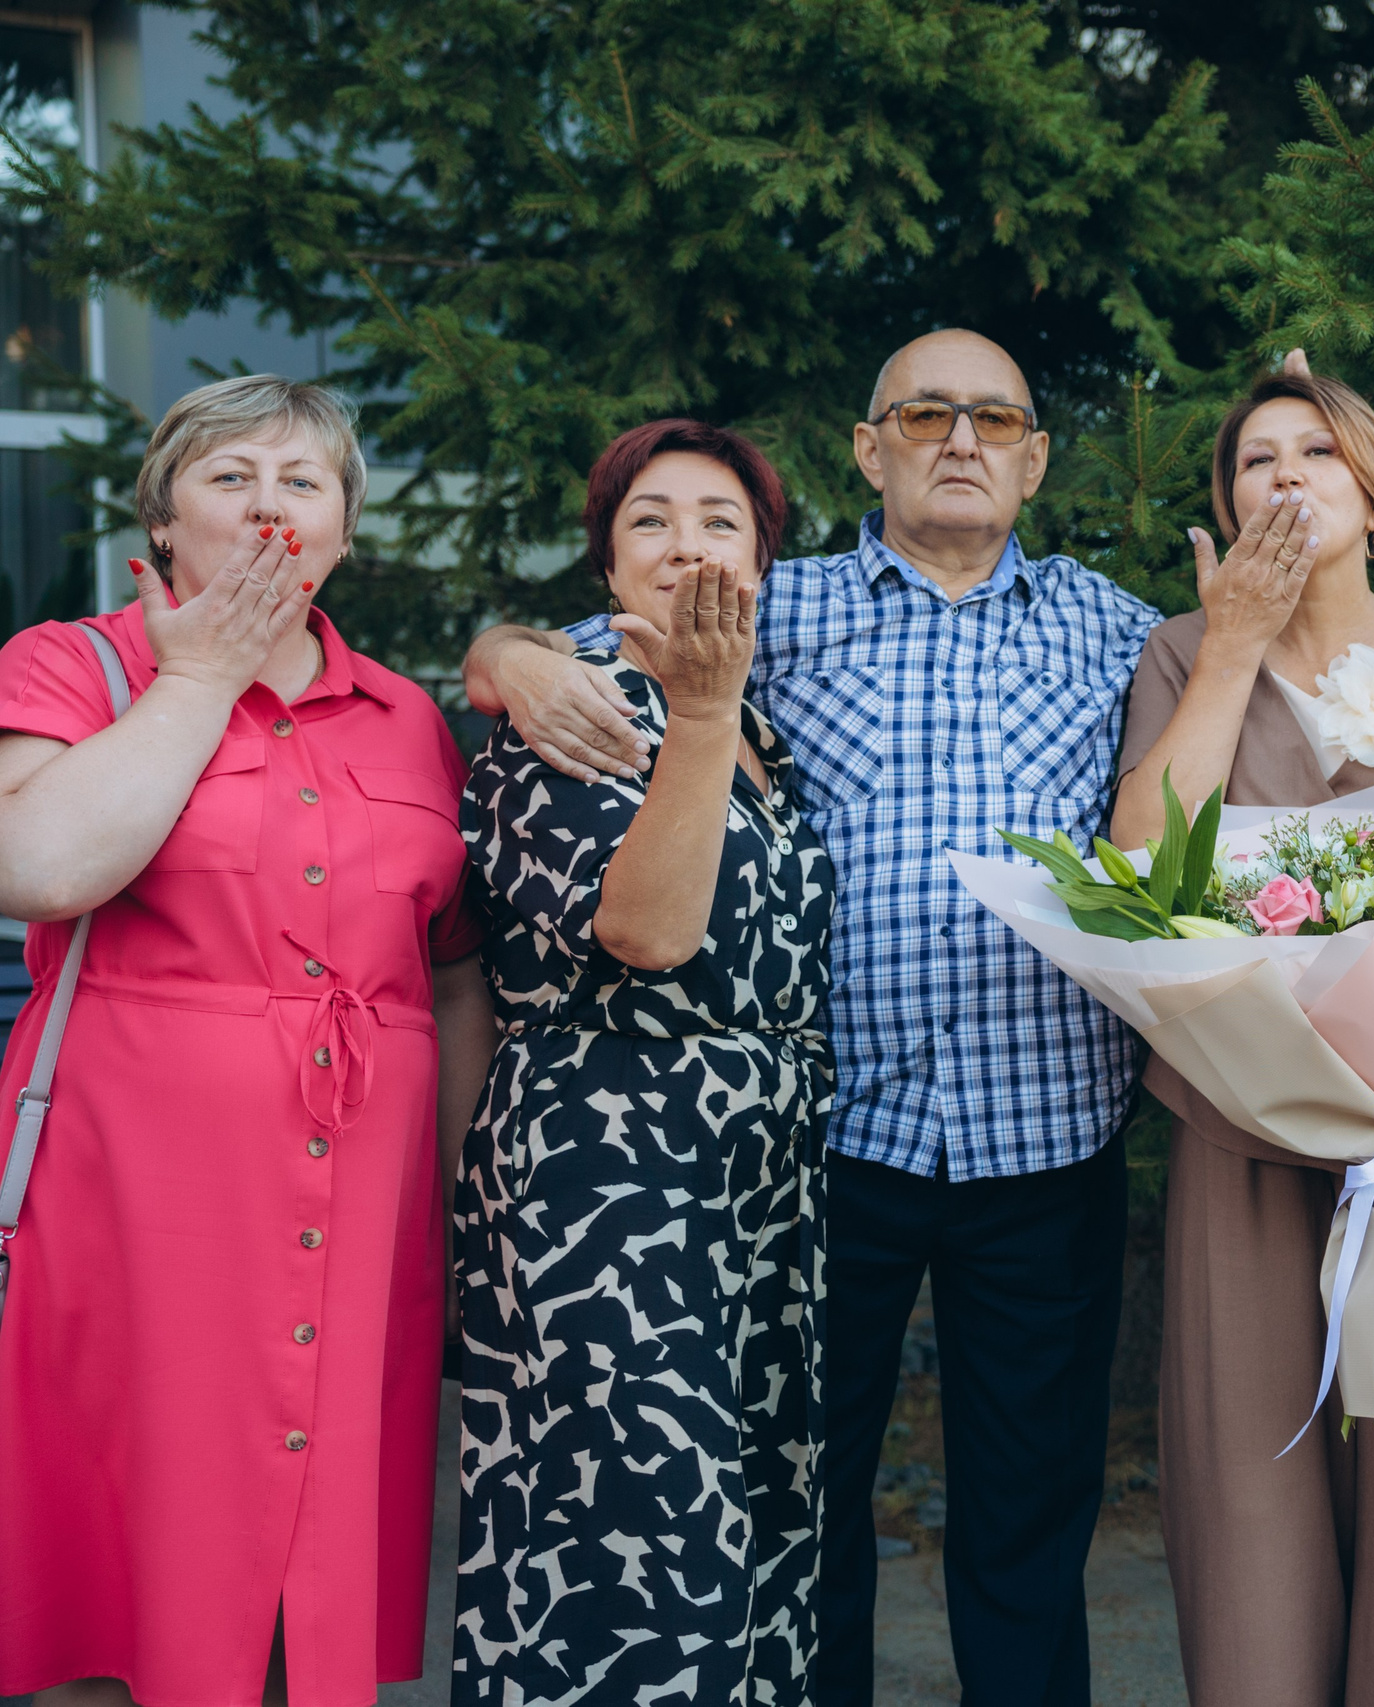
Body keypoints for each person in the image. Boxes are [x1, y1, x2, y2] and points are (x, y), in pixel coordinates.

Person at [460, 330, 1159, 1705]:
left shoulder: (1119, 628)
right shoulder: (777, 605)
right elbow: (606, 654)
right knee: (804, 1506)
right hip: (832, 1148)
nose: (961, 439)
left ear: (1035, 455)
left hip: (1049, 1131)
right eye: (926, 413)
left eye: (995, 418)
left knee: (1030, 1517)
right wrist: (508, 651)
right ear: (869, 446)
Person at [0, 375, 496, 1706]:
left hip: (362, 1200)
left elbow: (453, 980)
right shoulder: (70, 662)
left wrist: (454, 1193)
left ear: (343, 528)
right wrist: (203, 672)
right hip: (139, 1195)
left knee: (319, 1562)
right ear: (161, 522)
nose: (270, 503)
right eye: (231, 476)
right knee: (134, 1538)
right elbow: (39, 865)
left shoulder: (407, 715)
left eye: (303, 480)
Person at [1113, 353, 1374, 1706]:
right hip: (1246, 1131)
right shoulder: (1183, 651)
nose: (1285, 473)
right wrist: (1233, 643)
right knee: (1255, 1503)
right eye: (1256, 458)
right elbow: (1140, 867)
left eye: (1317, 450)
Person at [448, 420, 830, 1702]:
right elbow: (648, 931)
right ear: (608, 563)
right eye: (650, 520)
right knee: (628, 1547)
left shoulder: (747, 718)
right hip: (609, 1176)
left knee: (740, 1533)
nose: (686, 544)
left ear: (762, 560)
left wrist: (718, 708)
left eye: (720, 521)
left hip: (748, 1178)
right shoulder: (575, 701)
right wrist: (700, 709)